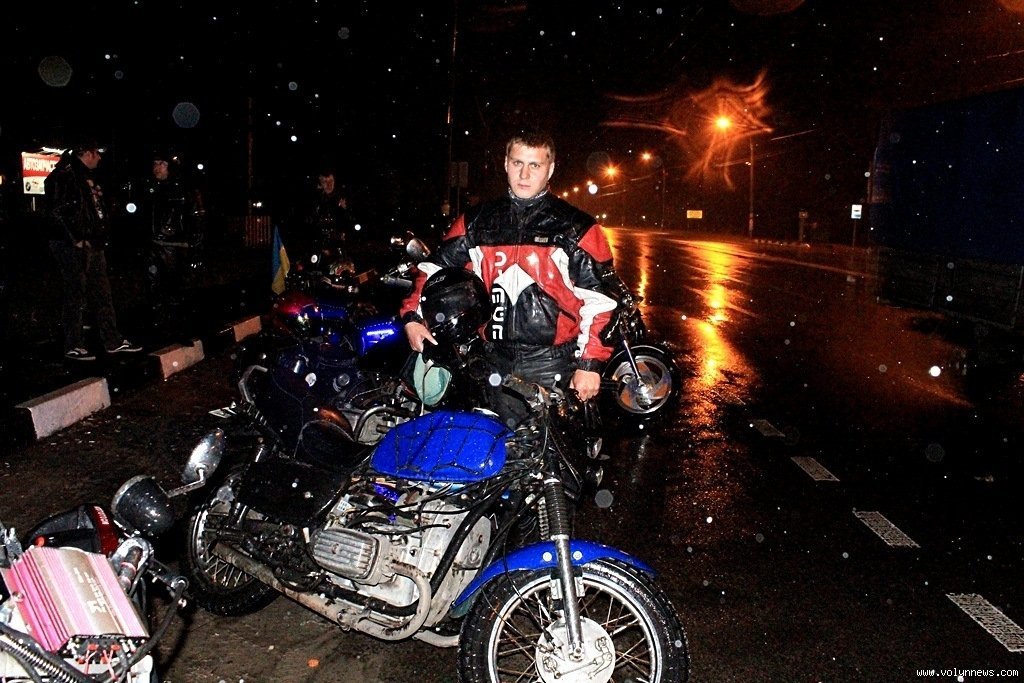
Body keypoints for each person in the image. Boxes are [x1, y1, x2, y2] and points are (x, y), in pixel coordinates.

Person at [400, 128, 620, 427]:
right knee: (492, 447)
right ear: (506, 164)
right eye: (518, 163)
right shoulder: (476, 222)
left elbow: (602, 300)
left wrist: (590, 363)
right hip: (492, 360)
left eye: (535, 165)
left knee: (553, 452)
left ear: (550, 169)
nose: (524, 174)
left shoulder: (577, 228)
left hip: (554, 364)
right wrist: (413, 317)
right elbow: (434, 270)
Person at [45, 139, 142, 360]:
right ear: (87, 153)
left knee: (101, 292)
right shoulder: (65, 175)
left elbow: (91, 209)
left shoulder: (85, 176)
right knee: (75, 294)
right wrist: (76, 238)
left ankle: (112, 340)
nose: (99, 158)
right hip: (73, 246)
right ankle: (73, 344)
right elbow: (57, 211)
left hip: (93, 243)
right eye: (96, 153)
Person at [143, 149, 206, 331]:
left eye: (162, 164)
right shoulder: (151, 188)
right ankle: (161, 324)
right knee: (154, 287)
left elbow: (197, 217)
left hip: (175, 246)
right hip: (155, 245)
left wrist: (195, 247)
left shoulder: (184, 189)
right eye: (155, 163)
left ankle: (178, 326)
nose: (157, 168)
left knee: (176, 288)